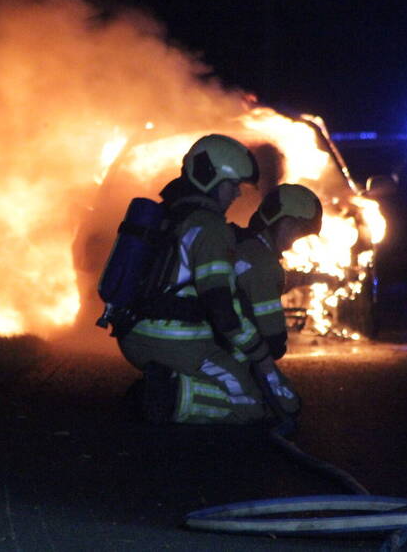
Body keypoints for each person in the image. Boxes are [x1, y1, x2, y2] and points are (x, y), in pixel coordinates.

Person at [118, 134, 286, 425]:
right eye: (232, 185)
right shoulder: (210, 227)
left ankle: (168, 384)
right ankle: (167, 396)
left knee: (234, 368)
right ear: (211, 179)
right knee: (252, 403)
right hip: (174, 339)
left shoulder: (171, 214)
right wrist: (259, 352)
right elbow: (222, 309)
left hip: (133, 331)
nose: (237, 194)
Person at [234, 184, 324, 362]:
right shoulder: (264, 261)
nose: (295, 239)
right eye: (300, 230)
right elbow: (273, 336)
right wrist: (276, 345)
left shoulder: (244, 247)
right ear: (285, 222)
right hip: (237, 359)